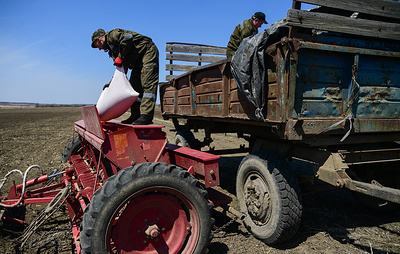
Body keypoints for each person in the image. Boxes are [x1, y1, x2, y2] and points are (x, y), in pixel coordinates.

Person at [91, 28, 159, 125]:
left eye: (96, 45)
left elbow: (127, 38)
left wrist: (121, 56)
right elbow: (121, 68)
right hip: (137, 61)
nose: (99, 48)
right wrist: (112, 83)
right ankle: (135, 115)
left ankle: (146, 116)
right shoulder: (112, 51)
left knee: (148, 83)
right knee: (134, 87)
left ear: (99, 39)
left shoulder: (112, 35)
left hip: (147, 52)